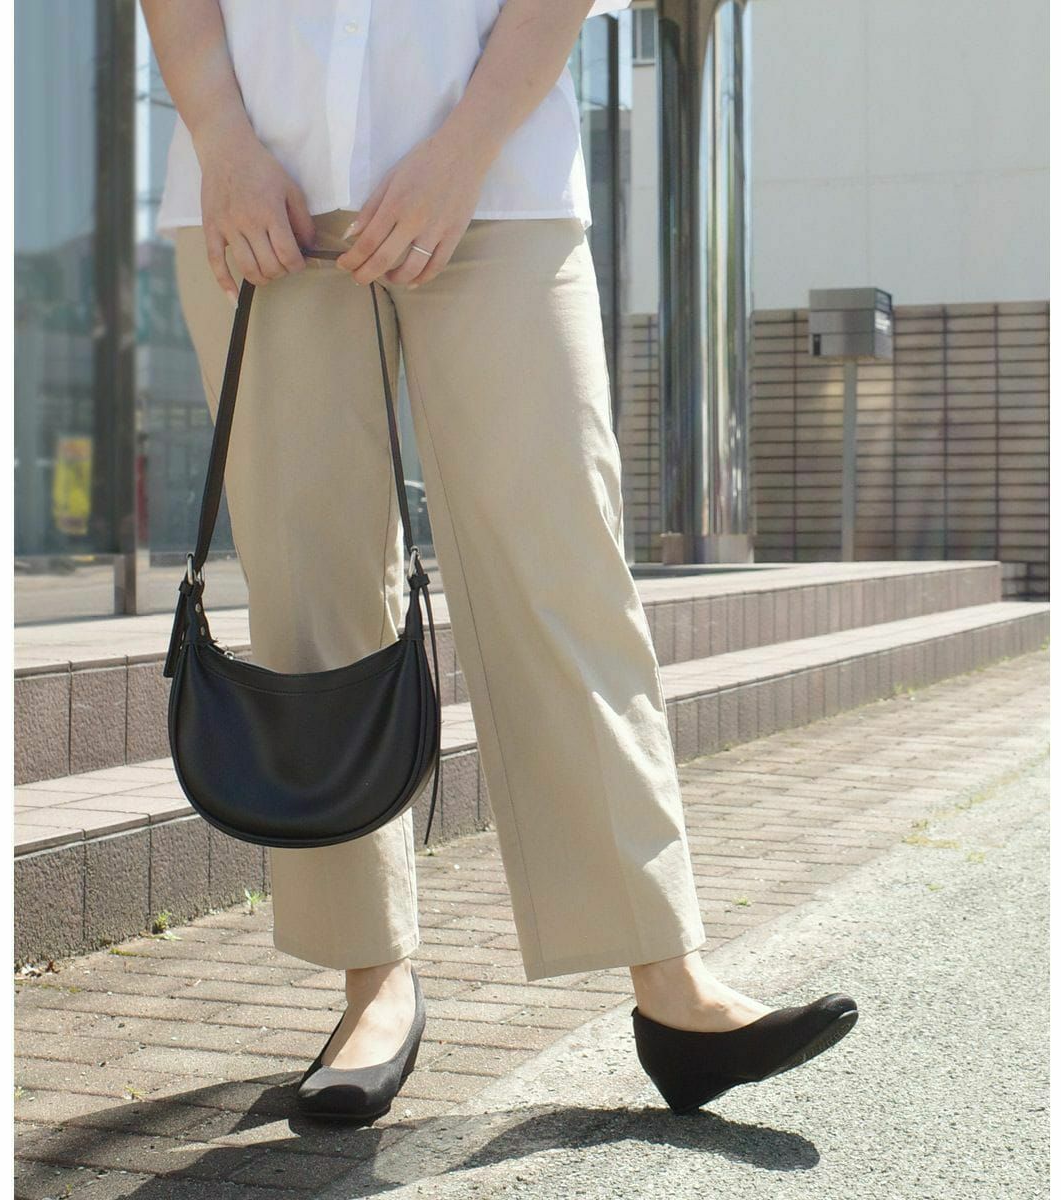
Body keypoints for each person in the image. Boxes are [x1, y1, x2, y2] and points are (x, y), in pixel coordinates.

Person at [142, 0, 857, 1123]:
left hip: (496, 173)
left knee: (563, 565)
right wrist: (222, 138)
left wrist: (465, 146)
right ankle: (371, 982)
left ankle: (671, 982)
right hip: (260, 185)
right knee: (312, 590)